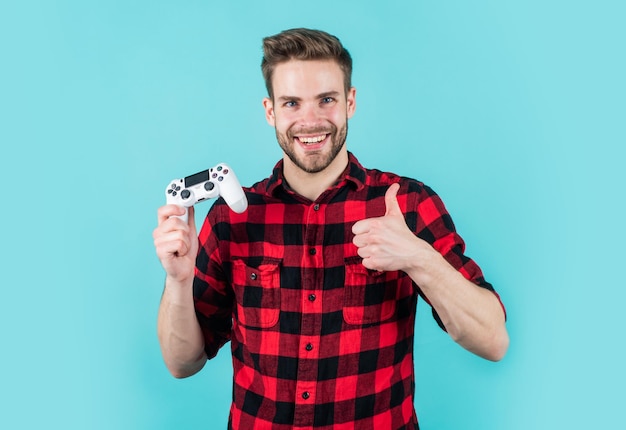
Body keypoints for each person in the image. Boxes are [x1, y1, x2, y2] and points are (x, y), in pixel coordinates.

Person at [153, 28, 509, 430]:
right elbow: (182, 364)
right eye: (292, 103)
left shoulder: (406, 203)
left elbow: (493, 341)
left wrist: (419, 258)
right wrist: (177, 282)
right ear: (270, 111)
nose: (310, 121)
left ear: (350, 102)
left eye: (326, 99)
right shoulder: (231, 218)